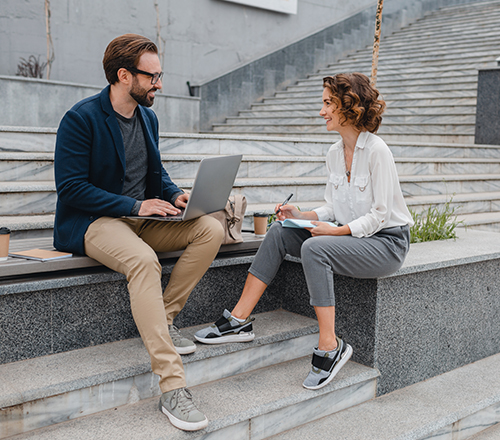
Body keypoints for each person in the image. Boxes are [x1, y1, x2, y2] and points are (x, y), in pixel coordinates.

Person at [195, 72, 414, 390]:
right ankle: (238, 321)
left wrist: (335, 233)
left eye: (328, 103)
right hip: (352, 236)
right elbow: (332, 209)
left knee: (315, 248)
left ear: (348, 105)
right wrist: (301, 215)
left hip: (386, 243)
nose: (322, 111)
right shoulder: (334, 154)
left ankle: (330, 346)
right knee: (280, 230)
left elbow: (380, 215)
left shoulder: (377, 151)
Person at [54, 34, 224, 431]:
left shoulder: (147, 117)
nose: (159, 84)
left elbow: (155, 173)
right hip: (94, 222)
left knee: (209, 229)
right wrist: (134, 206)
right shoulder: (81, 119)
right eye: (153, 76)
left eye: (160, 75)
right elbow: (72, 188)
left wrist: (176, 195)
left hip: (142, 219)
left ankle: (162, 320)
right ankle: (172, 386)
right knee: (144, 261)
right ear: (123, 75)